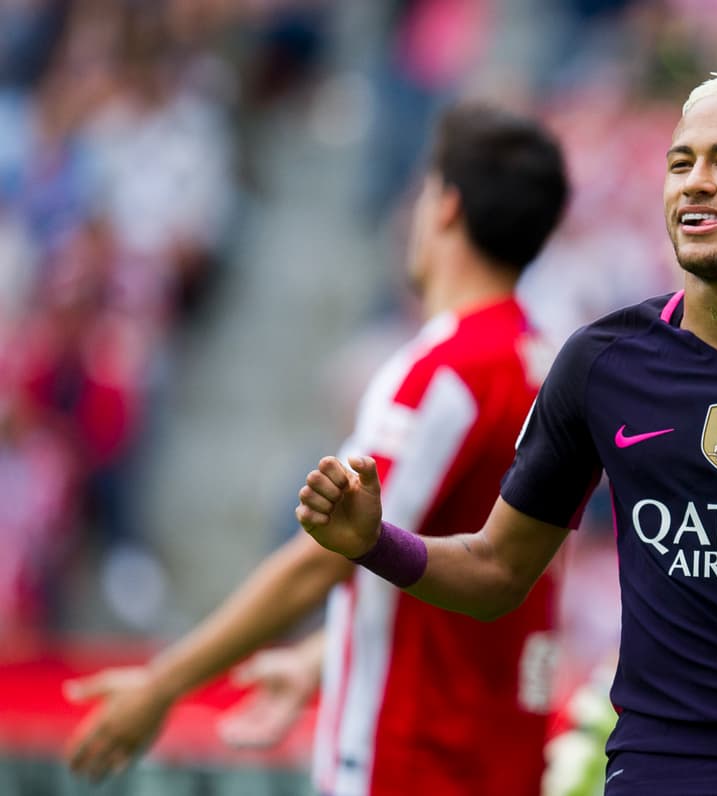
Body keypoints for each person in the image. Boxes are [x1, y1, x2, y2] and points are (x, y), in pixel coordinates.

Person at [298, 73, 717, 795]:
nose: (694, 182)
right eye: (679, 163)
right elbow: (496, 571)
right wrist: (374, 544)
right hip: (658, 769)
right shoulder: (603, 363)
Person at [62, 102, 571, 796]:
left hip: (414, 761)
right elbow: (464, 570)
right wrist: (323, 656)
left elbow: (326, 556)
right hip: (498, 755)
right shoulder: (542, 364)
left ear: (446, 206)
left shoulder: (446, 371)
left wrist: (162, 684)